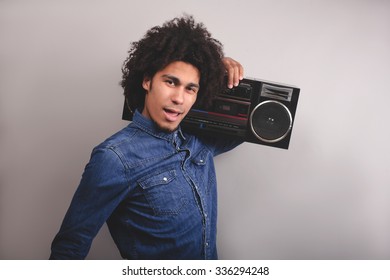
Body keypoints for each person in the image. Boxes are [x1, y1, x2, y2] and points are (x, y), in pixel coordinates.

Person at [50, 15, 244, 260]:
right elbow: (70, 246)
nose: (179, 98)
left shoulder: (198, 141)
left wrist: (221, 72)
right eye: (171, 82)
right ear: (147, 80)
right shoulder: (114, 158)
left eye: (190, 88)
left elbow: (245, 130)